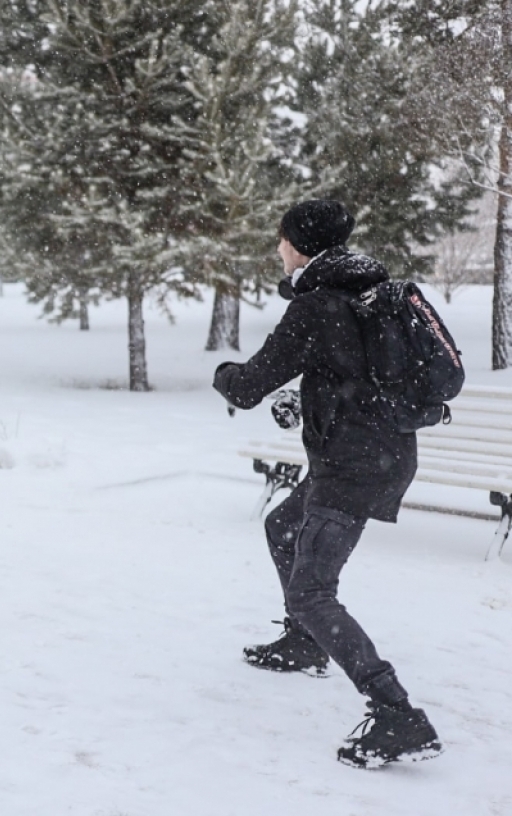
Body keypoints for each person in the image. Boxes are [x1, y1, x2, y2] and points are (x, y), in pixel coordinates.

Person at [212, 200, 442, 769]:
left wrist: (223, 374)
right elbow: (354, 375)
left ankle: (398, 715)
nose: (278, 248)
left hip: (353, 466)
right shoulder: (371, 293)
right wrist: (305, 400)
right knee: (282, 524)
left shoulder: (317, 307)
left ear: (299, 245)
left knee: (312, 591)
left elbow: (247, 387)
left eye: (282, 239)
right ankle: (304, 641)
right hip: (379, 451)